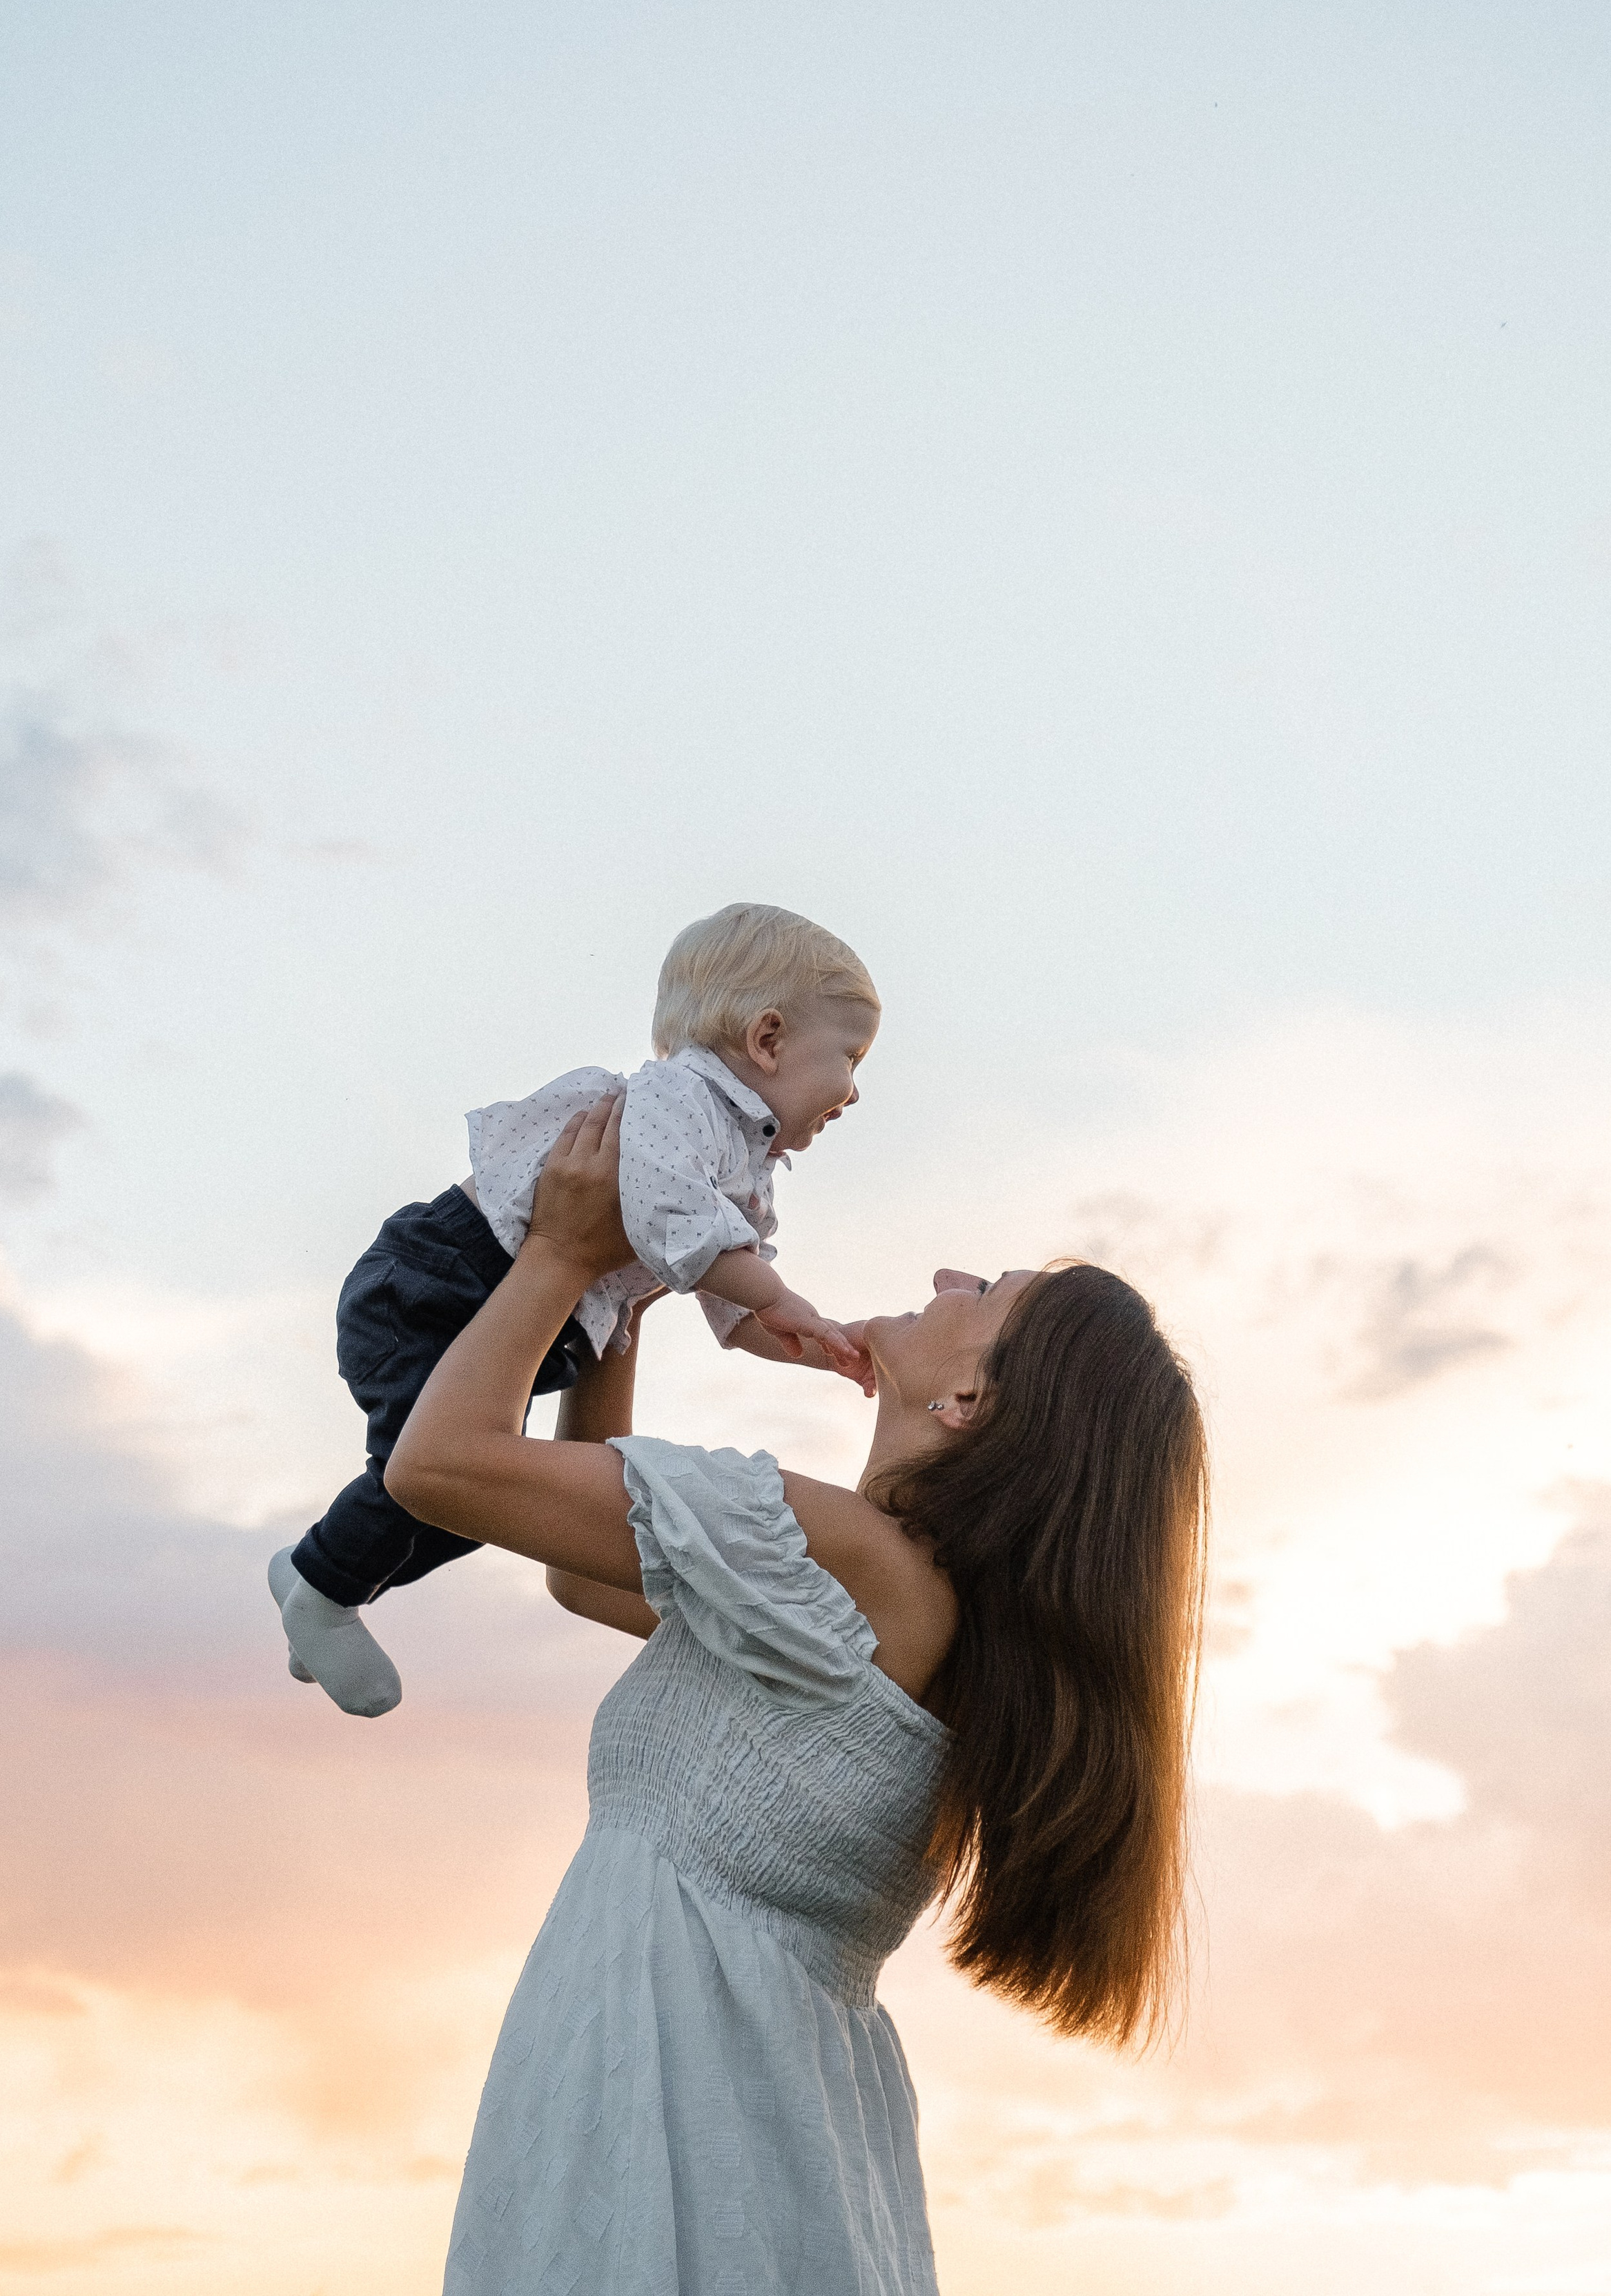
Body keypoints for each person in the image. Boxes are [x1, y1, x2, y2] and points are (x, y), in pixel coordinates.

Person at [383, 1095, 1211, 2296]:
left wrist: (564, 1256)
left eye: (984, 1293)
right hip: (758, 2117)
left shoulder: (853, 1558)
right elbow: (574, 1567)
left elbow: (441, 1464)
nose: (944, 1274)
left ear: (972, 1402)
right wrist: (619, 1308)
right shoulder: (905, 1610)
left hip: (670, 2090)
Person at [269, 903, 881, 1716]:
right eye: (849, 1056)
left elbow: (734, 1307)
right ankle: (320, 1585)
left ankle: (323, 1573)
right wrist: (780, 1296)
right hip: (437, 1285)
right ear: (767, 1040)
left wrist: (817, 1343)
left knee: (477, 1504)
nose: (856, 1090)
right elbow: (670, 1220)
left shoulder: (748, 1170)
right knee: (435, 1472)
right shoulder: (678, 1098)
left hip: (514, 1315)